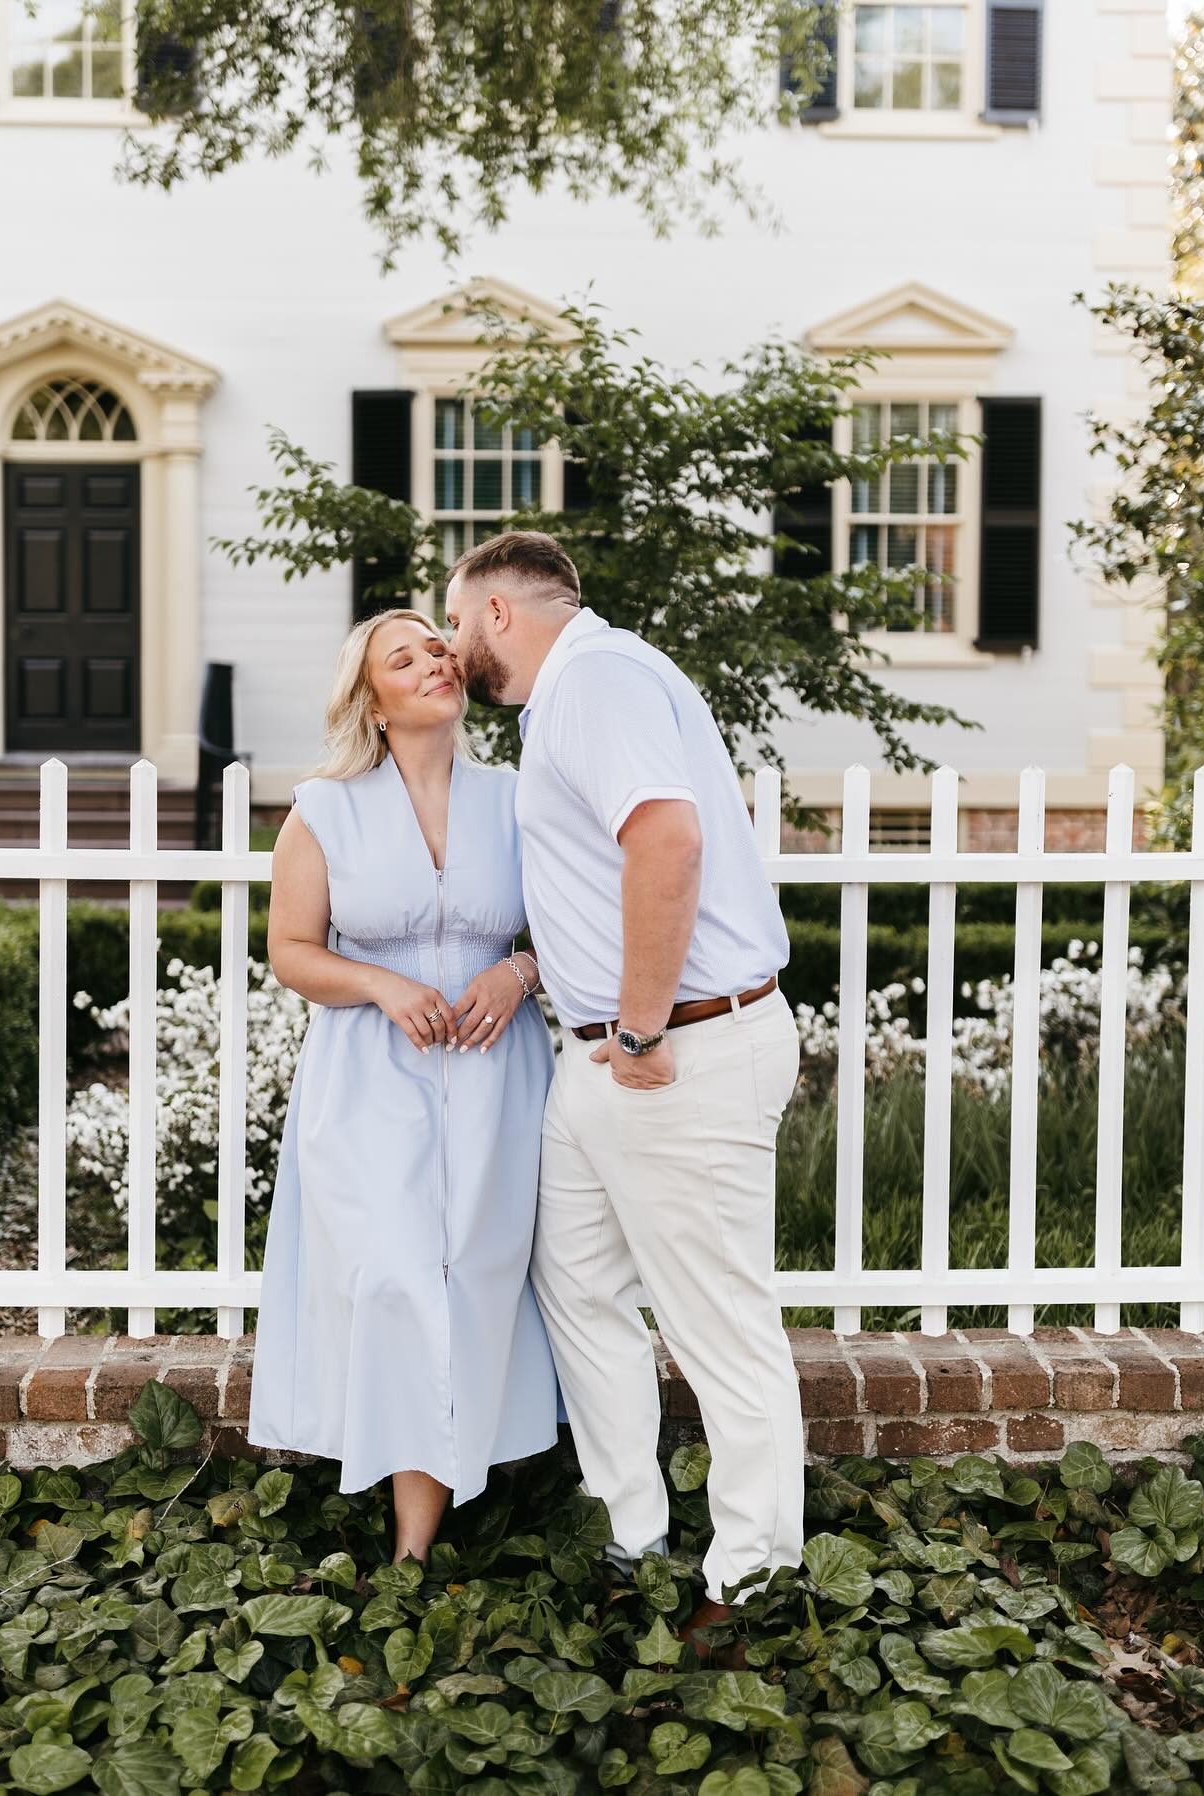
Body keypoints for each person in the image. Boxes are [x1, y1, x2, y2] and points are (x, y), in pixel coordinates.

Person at [445, 530, 803, 1632]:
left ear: (499, 611)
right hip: (601, 1054)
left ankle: (753, 1578)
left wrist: (642, 1031)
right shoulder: (577, 694)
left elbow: (669, 844)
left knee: (716, 1320)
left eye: (457, 624)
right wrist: (534, 971)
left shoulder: (595, 679)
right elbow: (597, 880)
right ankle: (630, 1532)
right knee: (579, 1288)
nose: (456, 649)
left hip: (674, 1051)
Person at [246, 607, 559, 1565]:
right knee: (391, 1278)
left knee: (478, 1275)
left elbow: (587, 922)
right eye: (404, 655)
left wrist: (519, 972)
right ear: (372, 701)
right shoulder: (325, 809)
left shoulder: (520, 797)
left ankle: (440, 1527)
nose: (434, 660)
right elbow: (291, 952)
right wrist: (379, 982)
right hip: (368, 1079)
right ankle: (406, 1535)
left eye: (438, 646)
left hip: (497, 1068)